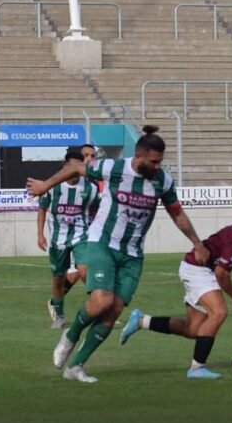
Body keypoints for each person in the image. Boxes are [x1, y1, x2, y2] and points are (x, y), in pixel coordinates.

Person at [27, 125, 209, 383]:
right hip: (103, 243)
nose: (158, 166)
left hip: (133, 254)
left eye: (160, 161)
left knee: (113, 312)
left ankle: (75, 366)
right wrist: (45, 185)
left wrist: (197, 243)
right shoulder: (113, 168)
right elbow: (77, 168)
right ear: (139, 156)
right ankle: (70, 336)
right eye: (154, 161)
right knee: (101, 302)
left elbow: (176, 213)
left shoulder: (163, 181)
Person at [119, 210, 232, 379]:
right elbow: (222, 273)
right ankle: (197, 368)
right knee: (219, 313)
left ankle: (141, 321)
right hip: (198, 268)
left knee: (192, 329)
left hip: (200, 269)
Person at [37, 150, 100, 329]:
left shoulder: (90, 188)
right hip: (58, 239)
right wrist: (40, 234)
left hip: (82, 236)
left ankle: (98, 309)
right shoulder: (53, 187)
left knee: (85, 270)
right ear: (64, 166)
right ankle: (59, 315)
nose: (74, 170)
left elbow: (99, 209)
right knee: (58, 278)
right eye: (71, 166)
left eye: (77, 166)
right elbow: (42, 209)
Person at [59, 144, 100, 301]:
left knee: (80, 271)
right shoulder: (67, 181)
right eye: (86, 156)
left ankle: (55, 301)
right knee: (82, 270)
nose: (89, 159)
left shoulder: (95, 181)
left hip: (93, 230)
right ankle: (99, 304)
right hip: (76, 233)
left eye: (93, 156)